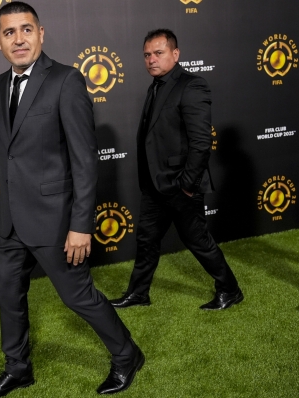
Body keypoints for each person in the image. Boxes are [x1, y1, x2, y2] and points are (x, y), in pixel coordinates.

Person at [0, 2, 143, 396]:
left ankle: (126, 355)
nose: (19, 39)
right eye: (9, 32)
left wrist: (80, 226)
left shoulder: (67, 81)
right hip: (12, 220)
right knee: (8, 299)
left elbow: (85, 162)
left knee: (79, 298)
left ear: (41, 33)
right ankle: (18, 370)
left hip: (56, 221)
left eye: (26, 29)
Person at [110, 29, 243, 311]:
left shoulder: (192, 85)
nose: (151, 60)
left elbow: (201, 143)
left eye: (158, 53)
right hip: (154, 185)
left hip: (180, 185)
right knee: (146, 240)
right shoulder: (156, 85)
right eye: (147, 55)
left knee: (198, 241)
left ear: (175, 54)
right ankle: (138, 293)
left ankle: (230, 289)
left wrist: (186, 183)